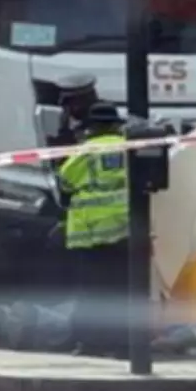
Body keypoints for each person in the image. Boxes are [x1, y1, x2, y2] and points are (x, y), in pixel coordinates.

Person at [57, 101, 130, 357]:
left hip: (91, 232)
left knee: (91, 289)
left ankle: (92, 342)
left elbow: (65, 179)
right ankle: (123, 343)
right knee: (123, 287)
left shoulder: (86, 150)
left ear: (93, 128)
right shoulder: (129, 146)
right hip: (125, 227)